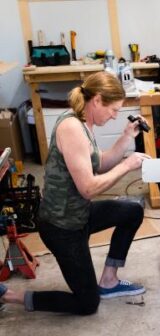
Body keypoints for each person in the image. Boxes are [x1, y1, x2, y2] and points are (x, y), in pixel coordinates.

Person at [0, 71, 150, 315]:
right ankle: (9, 295)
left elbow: (98, 163)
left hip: (79, 215)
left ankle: (109, 280)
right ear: (97, 100)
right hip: (62, 228)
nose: (114, 117)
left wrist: (125, 138)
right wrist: (127, 165)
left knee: (132, 211)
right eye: (113, 110)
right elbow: (88, 187)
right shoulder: (71, 127)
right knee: (87, 304)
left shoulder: (84, 123)